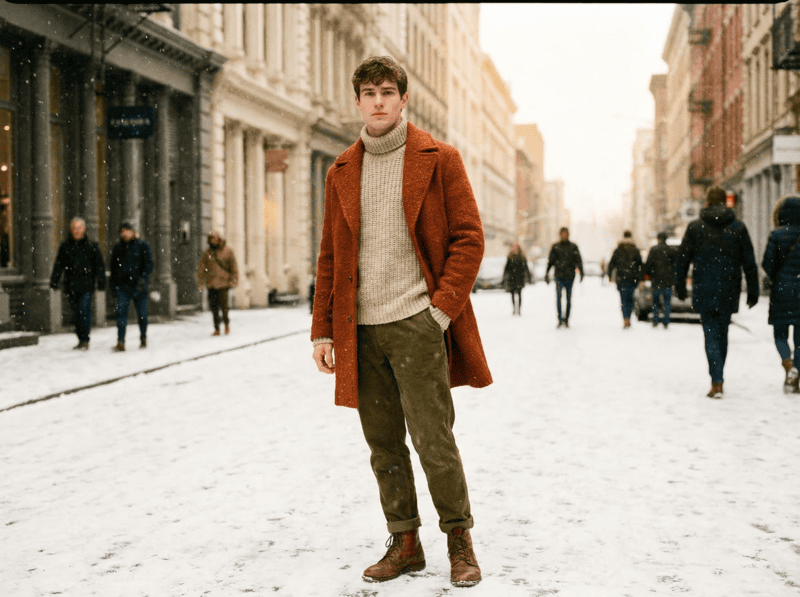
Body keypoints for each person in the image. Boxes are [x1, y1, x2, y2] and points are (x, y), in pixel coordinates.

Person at [310, 56, 491, 588]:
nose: (379, 101)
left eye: (388, 91)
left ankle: (459, 539)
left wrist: (440, 310)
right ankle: (405, 541)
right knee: (383, 443)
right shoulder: (342, 169)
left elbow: (469, 238)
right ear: (358, 102)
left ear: (403, 98)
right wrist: (323, 330)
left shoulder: (440, 159)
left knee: (434, 439)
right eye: (369, 93)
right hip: (359, 329)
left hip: (416, 321)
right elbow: (329, 256)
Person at [675, 186, 759, 399]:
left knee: (710, 333)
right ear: (726, 202)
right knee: (722, 332)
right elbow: (749, 261)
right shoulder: (738, 228)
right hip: (729, 287)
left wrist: (680, 286)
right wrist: (753, 289)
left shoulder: (695, 228)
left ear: (706, 203)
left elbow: (683, 259)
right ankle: (718, 376)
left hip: (704, 286)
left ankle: (716, 379)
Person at [761, 195, 800, 394]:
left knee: (780, 334)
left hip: (782, 290)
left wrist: (777, 275)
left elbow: (767, 264)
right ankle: (796, 372)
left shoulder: (776, 234)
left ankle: (788, 365)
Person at [49, 217, 106, 350]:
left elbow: (99, 266)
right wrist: (54, 281)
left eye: (79, 228)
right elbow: (59, 265)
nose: (77, 231)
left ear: (84, 229)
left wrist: (101, 282)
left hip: (86, 285)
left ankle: (85, 339)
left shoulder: (91, 246)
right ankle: (80, 338)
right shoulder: (65, 246)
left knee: (83, 310)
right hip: (71, 285)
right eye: (74, 228)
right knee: (76, 313)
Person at [109, 222, 154, 351]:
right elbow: (114, 268)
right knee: (121, 314)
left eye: (127, 230)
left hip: (139, 286)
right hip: (123, 286)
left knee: (142, 315)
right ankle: (121, 341)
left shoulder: (142, 246)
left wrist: (143, 278)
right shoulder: (118, 248)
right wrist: (114, 285)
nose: (125, 233)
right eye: (122, 231)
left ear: (133, 232)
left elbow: (149, 264)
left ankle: (143, 338)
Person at [197, 231, 238, 336]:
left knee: (224, 306)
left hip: (224, 283)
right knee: (214, 307)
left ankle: (226, 324)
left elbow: (233, 266)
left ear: (219, 240)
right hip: (211, 284)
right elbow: (201, 268)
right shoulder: (207, 253)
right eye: (212, 239)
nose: (214, 241)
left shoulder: (228, 251)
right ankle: (217, 328)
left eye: (215, 239)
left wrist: (234, 279)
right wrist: (200, 282)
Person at [545, 227, 584, 328]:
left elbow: (578, 260)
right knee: (558, 298)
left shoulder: (573, 247)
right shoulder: (556, 247)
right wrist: (547, 273)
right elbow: (550, 261)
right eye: (562, 233)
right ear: (560, 234)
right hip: (559, 276)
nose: (564, 235)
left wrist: (581, 272)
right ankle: (559, 319)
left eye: (565, 233)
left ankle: (566, 319)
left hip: (570, 276)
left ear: (568, 234)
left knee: (568, 299)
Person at [607, 230, 643, 329]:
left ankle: (625, 319)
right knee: (630, 299)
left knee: (623, 300)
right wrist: (641, 278)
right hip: (632, 279)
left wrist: (610, 276)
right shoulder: (635, 249)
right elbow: (640, 265)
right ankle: (628, 318)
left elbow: (611, 264)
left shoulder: (618, 249)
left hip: (621, 278)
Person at [644, 231, 677, 328]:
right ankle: (666, 321)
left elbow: (649, 264)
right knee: (667, 301)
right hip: (668, 281)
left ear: (658, 239)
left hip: (656, 280)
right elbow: (675, 266)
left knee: (655, 301)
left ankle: (655, 319)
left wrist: (648, 275)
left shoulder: (653, 250)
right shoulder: (671, 250)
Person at [503, 241, 532, 315]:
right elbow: (506, 268)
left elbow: (526, 268)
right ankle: (514, 308)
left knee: (519, 294)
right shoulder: (510, 257)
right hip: (512, 278)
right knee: (512, 294)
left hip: (519, 278)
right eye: (513, 247)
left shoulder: (522, 257)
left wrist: (528, 277)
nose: (514, 248)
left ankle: (518, 309)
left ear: (518, 248)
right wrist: (504, 277)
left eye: (516, 247)